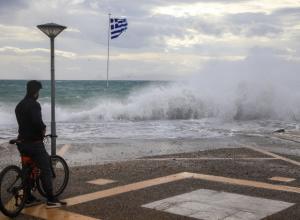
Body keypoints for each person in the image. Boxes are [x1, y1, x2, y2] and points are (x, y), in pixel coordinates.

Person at [15, 80, 66, 208]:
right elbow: (37, 122)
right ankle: (50, 199)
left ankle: (28, 198)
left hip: (21, 142)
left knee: (28, 170)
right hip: (34, 144)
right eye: (39, 91)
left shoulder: (19, 105)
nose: (39, 94)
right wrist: (43, 129)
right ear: (36, 91)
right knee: (46, 169)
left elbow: (24, 124)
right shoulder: (34, 105)